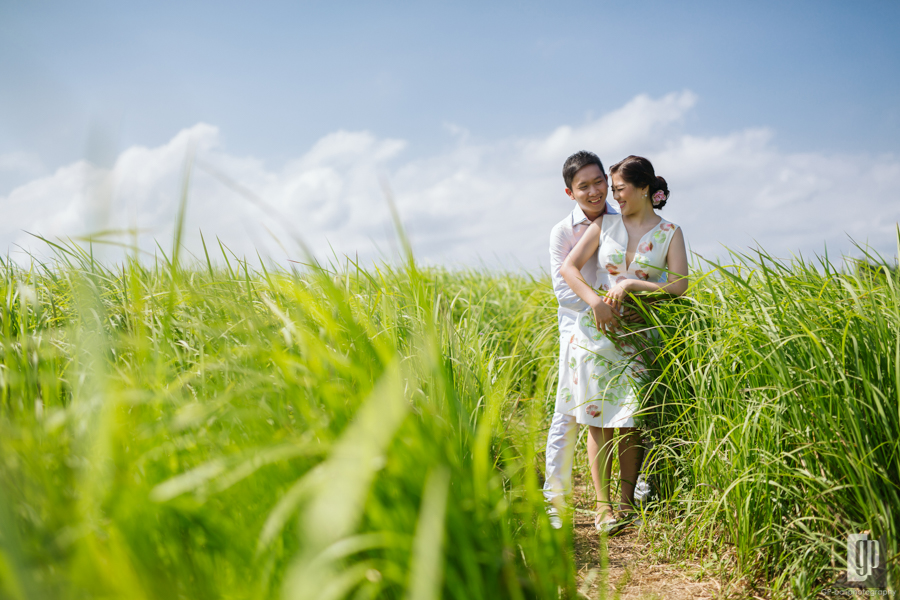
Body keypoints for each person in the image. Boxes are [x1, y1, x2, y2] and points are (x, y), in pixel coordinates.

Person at [559, 155, 688, 532]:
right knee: (597, 421)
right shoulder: (605, 225)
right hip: (597, 334)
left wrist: (632, 285)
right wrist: (596, 302)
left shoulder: (670, 232)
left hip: (638, 336)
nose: (612, 196)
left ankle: (627, 505)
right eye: (611, 188)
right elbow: (569, 267)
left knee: (630, 421)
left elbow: (678, 286)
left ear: (644, 188)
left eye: (618, 189)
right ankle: (603, 509)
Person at [543, 150, 618, 529]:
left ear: (608, 179)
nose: (593, 192)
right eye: (583, 186)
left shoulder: (624, 220)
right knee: (568, 410)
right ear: (569, 192)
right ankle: (556, 500)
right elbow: (564, 291)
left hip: (624, 324)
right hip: (577, 326)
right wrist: (603, 303)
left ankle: (636, 491)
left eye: (598, 182)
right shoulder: (563, 231)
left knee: (630, 408)